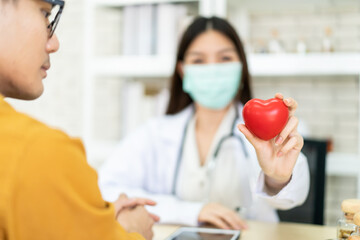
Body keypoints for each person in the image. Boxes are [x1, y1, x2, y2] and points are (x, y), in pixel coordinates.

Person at [99, 16, 310, 230]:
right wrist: (191, 211)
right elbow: (107, 188)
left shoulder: (269, 131)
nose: (212, 69)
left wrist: (276, 179)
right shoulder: (155, 133)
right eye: (199, 60)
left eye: (225, 58)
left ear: (241, 67)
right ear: (183, 70)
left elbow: (295, 195)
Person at [0, 0, 158, 239]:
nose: (54, 43)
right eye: (45, 14)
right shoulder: (40, 153)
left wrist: (86, 219)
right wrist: (131, 231)